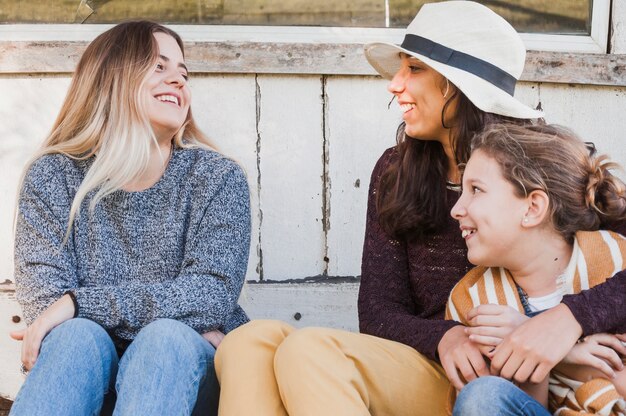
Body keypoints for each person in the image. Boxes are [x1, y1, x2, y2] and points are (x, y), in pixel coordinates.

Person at [214, 2, 626, 415]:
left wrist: (567, 321)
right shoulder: (396, 171)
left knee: (309, 349)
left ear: (454, 85)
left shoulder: (538, 165)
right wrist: (445, 337)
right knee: (249, 342)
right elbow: (377, 312)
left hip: (491, 385)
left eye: (413, 69)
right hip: (425, 362)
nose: (395, 84)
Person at [9, 21, 251, 416]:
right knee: (75, 339)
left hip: (186, 377)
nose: (178, 80)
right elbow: (47, 307)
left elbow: (210, 296)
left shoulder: (217, 178)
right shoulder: (52, 175)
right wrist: (73, 312)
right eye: (159, 67)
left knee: (165, 340)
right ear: (110, 78)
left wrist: (78, 303)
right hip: (84, 374)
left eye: (183, 72)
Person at [446, 123, 626, 415]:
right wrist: (541, 355)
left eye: (476, 190)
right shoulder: (471, 300)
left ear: (532, 208)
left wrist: (559, 346)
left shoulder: (613, 259)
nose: (456, 209)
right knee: (483, 396)